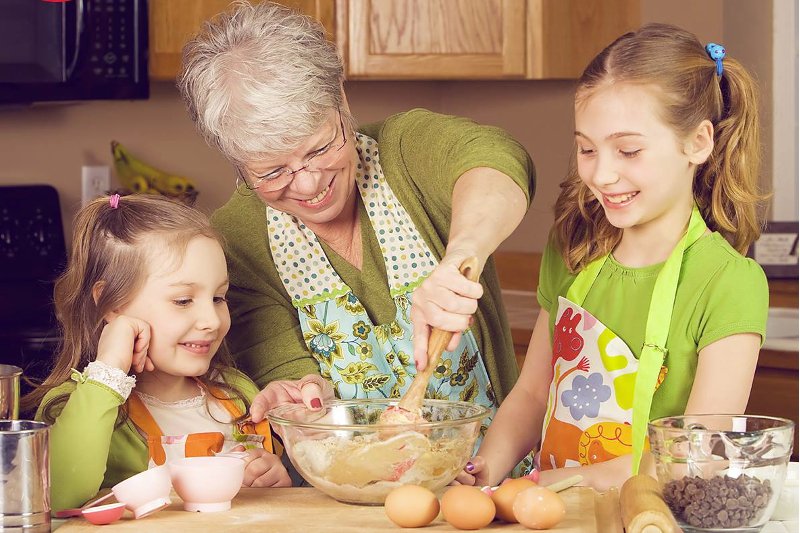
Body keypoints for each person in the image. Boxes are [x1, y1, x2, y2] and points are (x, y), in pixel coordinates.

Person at [177, 0, 535, 431]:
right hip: (343, 484)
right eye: (272, 172)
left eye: (321, 148)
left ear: (341, 100)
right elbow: (283, 370)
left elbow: (498, 161)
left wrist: (462, 253)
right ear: (235, 161)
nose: (309, 185)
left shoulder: (407, 152)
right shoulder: (238, 240)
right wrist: (301, 393)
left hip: (490, 472)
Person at [453, 23, 769, 491]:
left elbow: (694, 459)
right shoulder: (572, 252)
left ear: (698, 143)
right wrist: (485, 470)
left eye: (628, 150)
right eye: (586, 148)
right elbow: (533, 394)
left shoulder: (729, 282)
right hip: (551, 515)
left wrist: (552, 485)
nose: (601, 173)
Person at [23, 194, 291, 512]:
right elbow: (58, 496)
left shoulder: (237, 395)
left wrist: (271, 478)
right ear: (113, 303)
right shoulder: (71, 405)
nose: (211, 321)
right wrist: (109, 369)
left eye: (219, 297)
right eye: (183, 300)